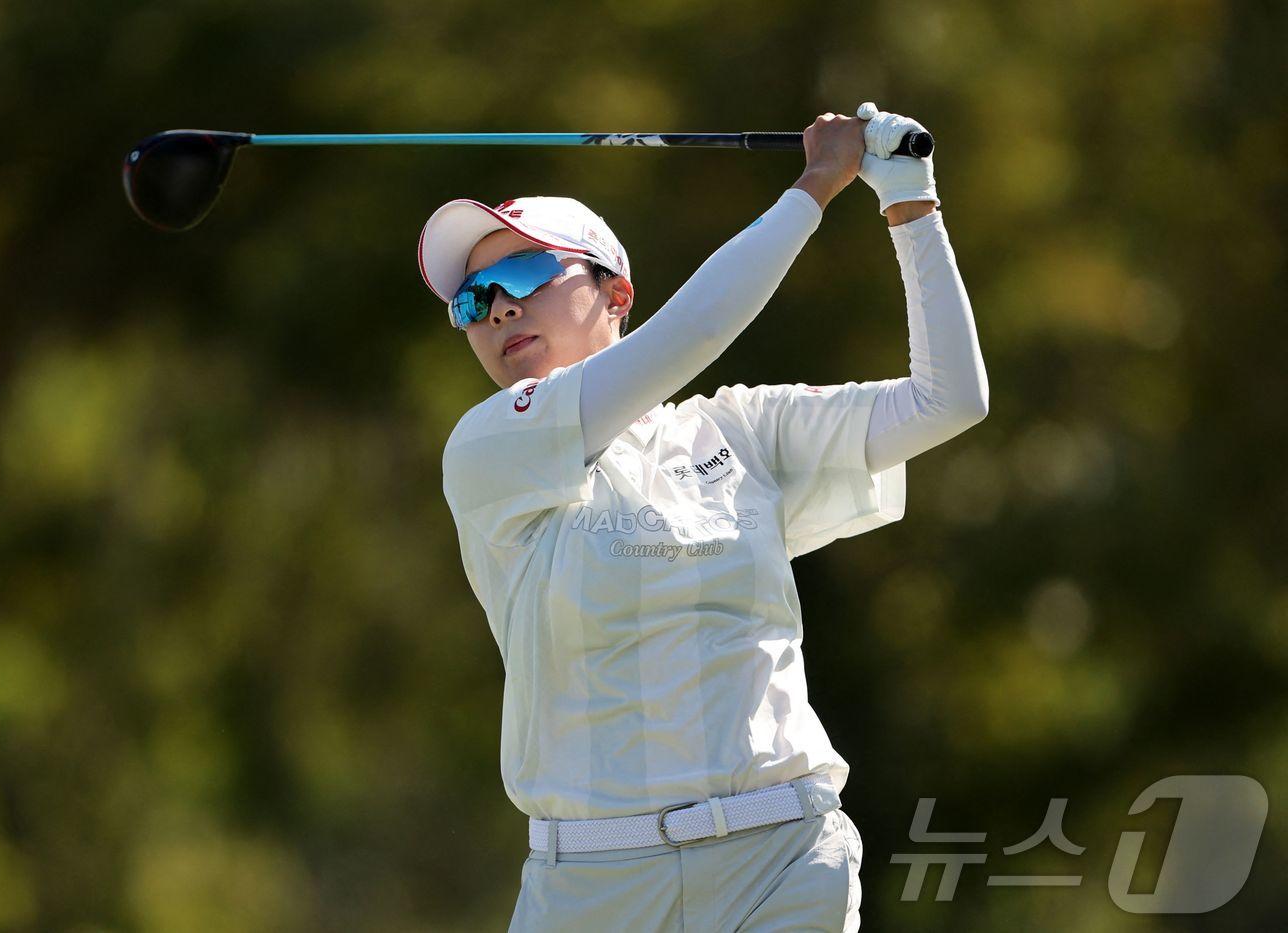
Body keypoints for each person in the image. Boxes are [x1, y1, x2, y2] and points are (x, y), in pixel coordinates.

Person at [418, 103, 988, 932]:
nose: (497, 307)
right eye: (472, 298)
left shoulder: (739, 432)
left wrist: (910, 201)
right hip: (591, 886)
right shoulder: (488, 452)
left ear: (617, 292)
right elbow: (692, 333)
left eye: (527, 274)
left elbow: (950, 400)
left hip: (784, 863)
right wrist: (814, 187)